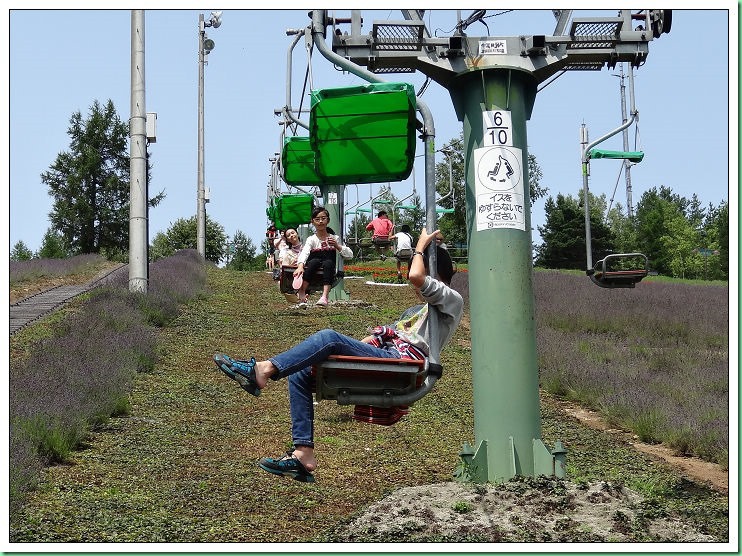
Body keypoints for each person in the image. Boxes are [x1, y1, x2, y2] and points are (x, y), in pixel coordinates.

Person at [213, 227, 463, 483]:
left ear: (434, 271)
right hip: (389, 358)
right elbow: (382, 335)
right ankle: (303, 454)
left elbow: (415, 276)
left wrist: (419, 248)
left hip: (405, 365)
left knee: (328, 337)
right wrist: (352, 350)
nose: (415, 290)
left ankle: (262, 371)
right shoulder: (419, 310)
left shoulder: (451, 301)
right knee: (299, 374)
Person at [293, 207, 352, 307]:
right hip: (314, 265)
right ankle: (302, 290)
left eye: (323, 218)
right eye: (317, 219)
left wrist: (337, 246)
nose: (320, 221)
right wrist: (300, 265)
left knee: (328, 263)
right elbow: (305, 252)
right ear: (313, 222)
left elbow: (350, 255)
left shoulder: (334, 238)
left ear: (328, 220)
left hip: (328, 265)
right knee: (313, 262)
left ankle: (324, 296)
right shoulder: (311, 239)